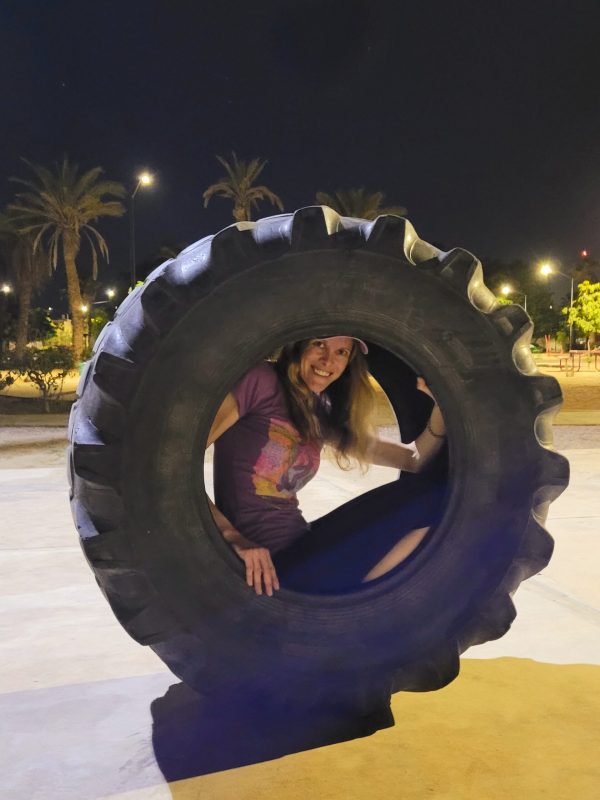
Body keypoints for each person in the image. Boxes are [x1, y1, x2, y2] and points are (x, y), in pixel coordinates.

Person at [207, 336, 446, 596]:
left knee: (432, 498)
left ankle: (361, 605)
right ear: (297, 345)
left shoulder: (319, 409)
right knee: (428, 501)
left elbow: (414, 461)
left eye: (341, 352)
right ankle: (355, 605)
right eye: (319, 344)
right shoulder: (259, 381)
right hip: (274, 567)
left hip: (304, 546)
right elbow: (177, 462)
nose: (328, 360)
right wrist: (232, 536)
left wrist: (442, 409)